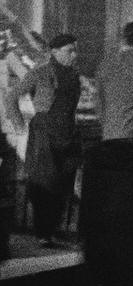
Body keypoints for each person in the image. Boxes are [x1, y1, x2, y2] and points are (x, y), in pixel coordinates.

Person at [3, 34, 82, 247]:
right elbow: (11, 97)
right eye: (69, 51)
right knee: (44, 184)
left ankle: (53, 229)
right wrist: (19, 125)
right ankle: (43, 233)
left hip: (68, 132)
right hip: (44, 134)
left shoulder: (74, 76)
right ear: (54, 52)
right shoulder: (39, 73)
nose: (74, 55)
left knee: (64, 183)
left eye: (75, 50)